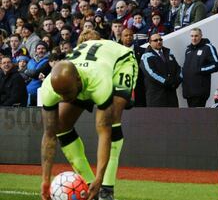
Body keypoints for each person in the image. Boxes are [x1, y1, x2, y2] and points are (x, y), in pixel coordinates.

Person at [40, 37, 138, 200]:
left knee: (112, 118)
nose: (64, 98)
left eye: (67, 94)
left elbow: (104, 132)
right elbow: (49, 135)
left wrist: (100, 178)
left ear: (78, 81)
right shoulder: (49, 88)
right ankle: (87, 183)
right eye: (60, 95)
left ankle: (106, 190)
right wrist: (45, 179)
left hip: (121, 61)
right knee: (61, 126)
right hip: (88, 68)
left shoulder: (99, 81)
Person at [140, 33, 182, 107]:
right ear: (150, 42)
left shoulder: (168, 53)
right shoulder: (146, 56)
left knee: (173, 118)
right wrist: (168, 82)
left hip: (171, 96)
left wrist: (177, 81)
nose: (159, 42)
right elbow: (151, 73)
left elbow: (178, 68)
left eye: (160, 39)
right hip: (156, 97)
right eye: (155, 40)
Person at [182, 28, 218, 107]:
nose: (194, 38)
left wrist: (200, 69)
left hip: (200, 91)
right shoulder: (188, 50)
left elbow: (216, 65)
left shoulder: (208, 47)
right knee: (191, 117)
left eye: (196, 36)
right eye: (192, 36)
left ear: (201, 36)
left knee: (197, 117)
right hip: (188, 91)